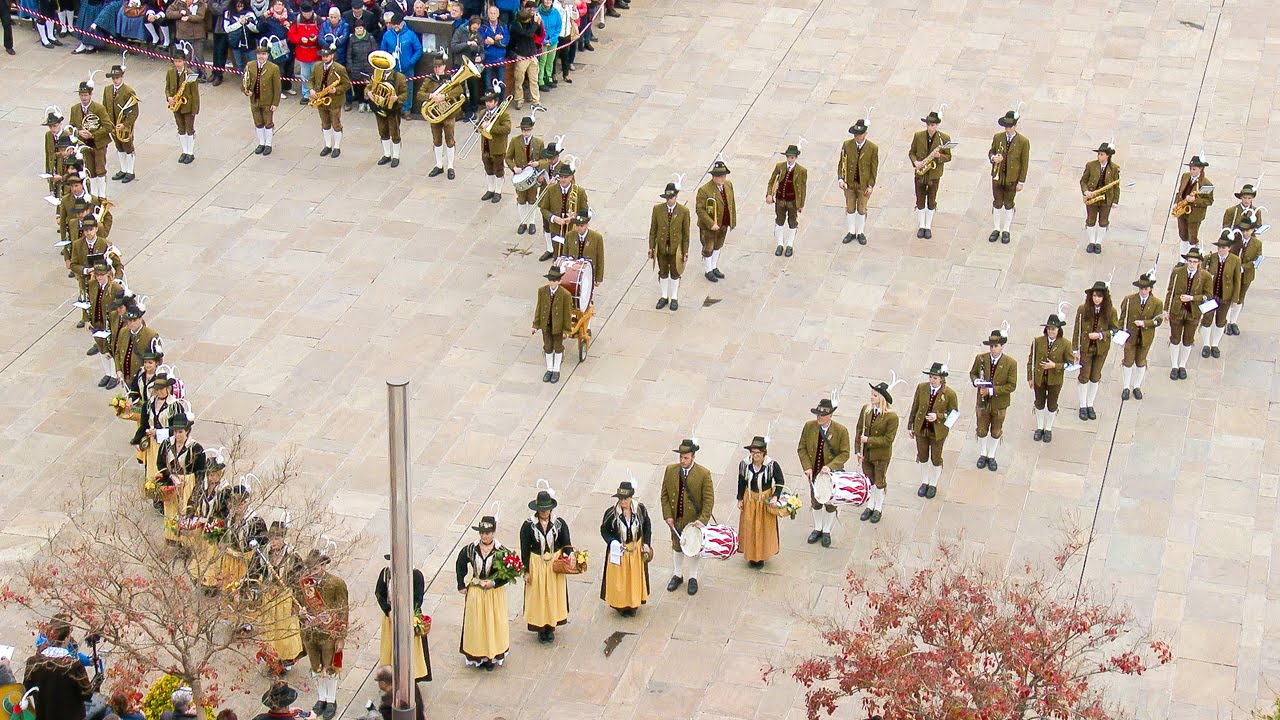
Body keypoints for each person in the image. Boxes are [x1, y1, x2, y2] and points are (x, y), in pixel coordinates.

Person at [295, 549, 348, 720]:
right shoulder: (303, 584)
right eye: (309, 569)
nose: (312, 572)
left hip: (329, 634)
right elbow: (296, 605)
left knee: (330, 667)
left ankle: (331, 699)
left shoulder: (336, 583)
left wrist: (341, 636)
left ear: (323, 565)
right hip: (310, 633)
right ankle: (321, 698)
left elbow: (343, 611)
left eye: (315, 568)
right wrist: (300, 613)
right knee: (315, 667)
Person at [455, 516, 512, 670]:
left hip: (493, 593)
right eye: (482, 533)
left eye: (487, 533)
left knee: (493, 622)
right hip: (476, 591)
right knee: (477, 623)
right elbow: (460, 563)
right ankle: (478, 654)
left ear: (493, 532)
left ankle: (491, 656)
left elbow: (510, 571)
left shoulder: (501, 551)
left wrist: (495, 582)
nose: (484, 536)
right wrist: (461, 584)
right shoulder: (471, 549)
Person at [248, 522, 305, 674]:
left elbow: (299, 581)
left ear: (283, 538)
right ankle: (271, 660)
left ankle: (285, 662)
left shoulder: (292, 557)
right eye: (271, 539)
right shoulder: (263, 554)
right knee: (268, 631)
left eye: (277, 539)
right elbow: (254, 572)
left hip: (285, 598)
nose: (273, 542)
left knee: (285, 631)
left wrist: (296, 603)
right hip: (268, 597)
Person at [660, 438, 713, 596]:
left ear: (693, 457)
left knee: (694, 548)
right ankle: (677, 574)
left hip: (693, 521)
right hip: (676, 518)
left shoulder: (703, 474)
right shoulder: (670, 470)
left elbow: (708, 500)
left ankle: (693, 577)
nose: (683, 460)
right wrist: (668, 516)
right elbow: (664, 495)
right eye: (681, 457)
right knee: (677, 546)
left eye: (686, 457)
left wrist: (702, 520)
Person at [519, 490, 571, 643]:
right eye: (542, 509)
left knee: (553, 594)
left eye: (547, 509)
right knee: (539, 595)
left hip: (554, 564)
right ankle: (541, 628)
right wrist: (526, 571)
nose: (545, 512)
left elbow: (567, 543)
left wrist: (570, 555)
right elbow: (524, 550)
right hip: (537, 563)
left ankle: (551, 625)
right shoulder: (528, 526)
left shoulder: (559, 523)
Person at [797, 397, 848, 547]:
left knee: (831, 503)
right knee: (816, 500)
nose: (819, 417)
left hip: (832, 475)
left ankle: (827, 530)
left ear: (830, 415)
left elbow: (845, 453)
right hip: (815, 472)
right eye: (818, 414)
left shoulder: (841, 430)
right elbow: (801, 448)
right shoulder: (809, 426)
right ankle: (818, 527)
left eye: (823, 415)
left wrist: (831, 466)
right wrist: (807, 467)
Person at [374, 557, 432, 682]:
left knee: (411, 646)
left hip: (409, 616)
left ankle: (413, 674)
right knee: (390, 645)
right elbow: (379, 593)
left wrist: (406, 612)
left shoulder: (416, 575)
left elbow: (418, 598)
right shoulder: (386, 573)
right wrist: (388, 610)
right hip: (390, 617)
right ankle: (390, 674)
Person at [23, 618, 93, 720]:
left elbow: (27, 689)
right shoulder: (74, 666)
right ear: (65, 639)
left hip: (44, 715)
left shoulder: (33, 662)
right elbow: (87, 694)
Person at [599, 480, 651, 616]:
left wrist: (646, 543)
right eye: (621, 499)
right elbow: (604, 531)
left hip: (635, 550)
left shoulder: (640, 510)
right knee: (620, 579)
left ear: (631, 498)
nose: (623, 502)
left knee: (634, 578)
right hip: (619, 551)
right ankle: (621, 606)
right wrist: (613, 542)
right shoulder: (611, 514)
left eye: (625, 499)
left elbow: (647, 525)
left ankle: (633, 604)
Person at [907, 362, 958, 498]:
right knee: (922, 456)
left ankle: (933, 484)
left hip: (937, 432)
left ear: (942, 379)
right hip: (921, 429)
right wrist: (911, 425)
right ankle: (924, 482)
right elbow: (915, 407)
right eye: (930, 377)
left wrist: (938, 416)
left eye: (935, 378)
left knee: (936, 458)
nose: (932, 380)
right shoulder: (922, 388)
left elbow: (953, 414)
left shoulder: (949, 394)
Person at [970, 329, 1017, 472]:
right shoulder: (981, 358)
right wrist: (976, 381)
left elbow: (1011, 385)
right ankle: (983, 453)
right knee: (981, 429)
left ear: (1002, 346)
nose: (993, 349)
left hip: (999, 404)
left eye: (996, 346)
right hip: (983, 401)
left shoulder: (1010, 363)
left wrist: (991, 390)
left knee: (996, 430)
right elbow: (973, 373)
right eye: (991, 346)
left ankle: (991, 455)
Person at [156, 412, 206, 543]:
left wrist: (196, 494)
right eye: (175, 432)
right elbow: (160, 463)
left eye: (180, 432)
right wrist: (171, 476)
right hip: (172, 483)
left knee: (185, 512)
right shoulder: (167, 444)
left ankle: (186, 543)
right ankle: (173, 538)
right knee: (172, 511)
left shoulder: (196, 448)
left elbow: (201, 473)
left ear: (187, 431)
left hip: (188, 484)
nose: (177, 435)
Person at [1071, 281, 1118, 421]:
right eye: (1094, 296)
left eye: (1099, 296)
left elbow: (1115, 329)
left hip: (1101, 349)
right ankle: (1082, 405)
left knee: (1095, 376)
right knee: (1084, 376)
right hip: (1085, 348)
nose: (1096, 299)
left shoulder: (1111, 311)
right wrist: (1075, 350)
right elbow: (1077, 330)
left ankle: (1090, 404)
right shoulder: (1082, 309)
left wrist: (1101, 335)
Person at [1163, 247, 1211, 380]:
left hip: (1193, 312)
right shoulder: (1177, 272)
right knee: (1175, 338)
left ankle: (1182, 365)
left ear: (1199, 263)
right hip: (1177, 311)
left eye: (1195, 262)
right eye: (1190, 261)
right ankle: (1174, 365)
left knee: (1188, 340)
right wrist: (1166, 310)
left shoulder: (1205, 276)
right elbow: (1170, 291)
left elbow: (1208, 295)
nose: (1192, 264)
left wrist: (1192, 298)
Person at [736, 436, 781, 568]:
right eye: (753, 453)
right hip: (750, 499)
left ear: (764, 453)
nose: (755, 456)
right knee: (750, 526)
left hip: (764, 501)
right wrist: (740, 498)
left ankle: (761, 556)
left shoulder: (772, 465)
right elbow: (741, 482)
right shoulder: (744, 464)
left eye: (758, 453)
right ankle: (751, 555)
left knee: (763, 528)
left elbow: (780, 482)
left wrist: (775, 496)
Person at [1118, 271, 1163, 400]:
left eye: (1146, 289)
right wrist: (1120, 335)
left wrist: (1144, 323)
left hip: (1145, 337)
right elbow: (1122, 318)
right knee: (1128, 362)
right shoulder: (1129, 299)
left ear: (1150, 289)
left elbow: (1158, 320)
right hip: (1130, 336)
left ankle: (1137, 386)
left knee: (1141, 362)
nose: (1143, 291)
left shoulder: (1157, 303)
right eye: (1141, 288)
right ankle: (1126, 387)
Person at [988, 109, 1030, 244]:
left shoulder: (1023, 141)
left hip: (1012, 178)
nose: (1007, 129)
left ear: (1015, 126)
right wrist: (994, 158)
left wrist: (1021, 182)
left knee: (1009, 203)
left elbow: (1024, 163)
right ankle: (996, 228)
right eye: (1006, 127)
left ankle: (1006, 229)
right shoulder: (998, 137)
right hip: (998, 176)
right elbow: (991, 152)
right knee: (997, 202)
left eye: (1010, 127)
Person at [1027, 315, 1071, 442]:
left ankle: (1048, 428)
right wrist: (1030, 377)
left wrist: (1055, 366)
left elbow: (1070, 363)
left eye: (1054, 329)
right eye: (1049, 329)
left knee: (1052, 405)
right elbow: (1031, 360)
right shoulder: (1037, 341)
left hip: (1055, 380)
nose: (1051, 331)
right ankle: (1040, 427)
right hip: (1039, 378)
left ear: (1058, 330)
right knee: (1039, 403)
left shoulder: (1065, 344)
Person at [1200, 229, 1242, 360]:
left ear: (1229, 248)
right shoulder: (1210, 258)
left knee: (1221, 321)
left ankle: (1215, 344)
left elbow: (1237, 280)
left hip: (1225, 297)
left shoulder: (1235, 260)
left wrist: (1235, 298)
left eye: (1223, 247)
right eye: (1219, 247)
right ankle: (1206, 344)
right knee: (1207, 319)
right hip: (1210, 296)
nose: (1220, 250)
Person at [909, 109, 951, 239]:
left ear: (937, 125)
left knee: (932, 200)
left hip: (934, 174)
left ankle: (928, 226)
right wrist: (916, 162)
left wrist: (939, 156)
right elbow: (912, 152)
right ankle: (921, 225)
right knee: (920, 199)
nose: (930, 128)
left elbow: (948, 156)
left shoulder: (944, 138)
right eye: (928, 125)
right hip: (921, 172)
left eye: (932, 125)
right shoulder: (918, 135)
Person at [648, 181, 690, 311]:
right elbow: (653, 229)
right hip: (661, 247)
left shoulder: (683, 211)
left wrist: (685, 251)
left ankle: (674, 297)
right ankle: (664, 296)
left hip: (676, 249)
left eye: (671, 198)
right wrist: (651, 247)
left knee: (675, 272)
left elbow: (686, 233)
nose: (669, 200)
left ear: (676, 197)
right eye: (667, 198)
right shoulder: (657, 209)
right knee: (663, 272)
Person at [417, 53, 460, 178]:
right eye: (435, 67)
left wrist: (445, 96)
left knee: (450, 140)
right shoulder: (429, 80)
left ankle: (450, 166)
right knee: (437, 140)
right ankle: (439, 165)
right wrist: (431, 96)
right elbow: (419, 94)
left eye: (439, 66)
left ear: (444, 66)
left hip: (448, 114)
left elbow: (459, 90)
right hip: (435, 115)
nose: (437, 69)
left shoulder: (450, 78)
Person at [837, 117, 878, 245]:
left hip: (863, 184)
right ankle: (851, 231)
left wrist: (870, 185)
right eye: (855, 134)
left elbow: (874, 169)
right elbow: (841, 163)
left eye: (859, 134)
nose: (856, 136)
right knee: (850, 207)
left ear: (865, 134)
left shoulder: (872, 148)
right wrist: (841, 179)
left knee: (862, 208)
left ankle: (860, 232)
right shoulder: (847, 145)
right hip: (849, 183)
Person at [538, 162, 588, 262]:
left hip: (573, 230)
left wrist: (574, 217)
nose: (563, 180)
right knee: (557, 255)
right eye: (561, 177)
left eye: (566, 177)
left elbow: (585, 212)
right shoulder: (551, 190)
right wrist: (554, 218)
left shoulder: (580, 191)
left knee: (572, 256)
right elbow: (544, 209)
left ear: (571, 177)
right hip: (556, 229)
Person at [531, 266, 573, 383]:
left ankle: (556, 370)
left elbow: (567, 314)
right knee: (548, 346)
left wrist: (566, 330)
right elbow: (539, 308)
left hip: (558, 327)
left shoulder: (565, 295)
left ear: (559, 281)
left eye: (554, 280)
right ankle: (549, 369)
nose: (552, 283)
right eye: (550, 280)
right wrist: (536, 324)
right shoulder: (542, 291)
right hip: (546, 325)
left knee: (558, 347)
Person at [695, 160, 736, 278]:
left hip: (723, 222)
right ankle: (708, 270)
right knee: (708, 247)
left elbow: (731, 203)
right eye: (720, 176)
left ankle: (714, 266)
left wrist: (732, 220)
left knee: (718, 245)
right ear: (714, 176)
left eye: (724, 175)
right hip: (709, 226)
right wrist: (711, 223)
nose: (723, 178)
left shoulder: (728, 185)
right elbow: (700, 210)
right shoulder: (704, 190)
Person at [71, 78, 111, 199]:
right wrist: (78, 132)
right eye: (81, 95)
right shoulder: (75, 109)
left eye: (86, 95)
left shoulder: (99, 108)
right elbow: (71, 127)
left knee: (100, 169)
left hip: (98, 143)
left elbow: (108, 127)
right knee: (90, 170)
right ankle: (93, 195)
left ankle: (102, 195)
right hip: (84, 144)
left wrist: (92, 135)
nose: (83, 98)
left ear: (91, 94)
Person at [311, 42, 352, 157]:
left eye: (327, 56)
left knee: (336, 124)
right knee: (325, 123)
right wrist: (311, 90)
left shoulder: (339, 68)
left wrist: (336, 90)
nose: (324, 58)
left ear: (332, 55)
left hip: (334, 101)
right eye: (323, 56)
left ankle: (337, 147)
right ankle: (328, 145)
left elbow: (347, 84)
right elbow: (311, 80)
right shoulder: (317, 66)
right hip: (321, 99)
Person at [86, 263, 123, 389]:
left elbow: (123, 305)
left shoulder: (115, 288)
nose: (99, 277)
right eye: (97, 275)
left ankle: (114, 374)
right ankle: (107, 373)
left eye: (102, 275)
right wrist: (86, 320)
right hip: (97, 321)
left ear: (107, 274)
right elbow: (87, 301)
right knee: (101, 346)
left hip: (111, 323)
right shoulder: (92, 284)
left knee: (111, 347)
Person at [765, 145, 806, 257]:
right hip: (780, 199)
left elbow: (803, 188)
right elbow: (772, 181)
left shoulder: (801, 170)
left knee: (792, 222)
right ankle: (780, 244)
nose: (789, 159)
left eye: (792, 157)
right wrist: (769, 194)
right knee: (779, 220)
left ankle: (790, 245)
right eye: (788, 157)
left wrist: (801, 204)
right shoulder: (780, 166)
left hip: (792, 201)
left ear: (796, 158)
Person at [1080, 141, 1120, 254]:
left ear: (1108, 156)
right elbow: (1083, 181)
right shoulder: (1091, 165)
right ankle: (1091, 242)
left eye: (1102, 154)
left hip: (1106, 199)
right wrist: (1086, 191)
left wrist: (1115, 200)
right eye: (1099, 154)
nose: (1099, 156)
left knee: (1103, 221)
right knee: (1090, 220)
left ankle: (1098, 243)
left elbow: (1116, 186)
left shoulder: (1114, 168)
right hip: (1093, 197)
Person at [506, 115, 544, 233]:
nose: (525, 132)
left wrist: (538, 163)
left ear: (531, 129)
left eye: (527, 130)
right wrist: (514, 168)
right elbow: (508, 158)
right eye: (523, 130)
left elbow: (544, 160)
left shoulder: (538, 142)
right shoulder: (515, 141)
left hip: (533, 176)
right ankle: (523, 222)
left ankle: (532, 222)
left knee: (532, 199)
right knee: (521, 199)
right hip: (520, 176)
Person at [370, 50, 409, 167]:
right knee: (382, 131)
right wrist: (368, 93)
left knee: (394, 132)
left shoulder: (399, 77)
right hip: (379, 107)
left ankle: (396, 156)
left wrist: (396, 98)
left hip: (392, 109)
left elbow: (405, 93)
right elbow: (369, 87)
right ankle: (386, 154)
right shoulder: (376, 75)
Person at [102, 64, 139, 184]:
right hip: (113, 125)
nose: (115, 80)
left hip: (124, 126)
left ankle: (130, 171)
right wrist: (107, 122)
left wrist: (125, 124)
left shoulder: (128, 91)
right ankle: (123, 169)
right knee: (119, 147)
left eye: (117, 78)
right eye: (113, 78)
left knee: (128, 147)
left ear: (122, 77)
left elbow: (134, 112)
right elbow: (104, 107)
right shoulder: (107, 89)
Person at [379, 12, 421, 117]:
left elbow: (418, 49)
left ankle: (407, 109)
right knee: (392, 88)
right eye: (394, 24)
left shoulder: (410, 34)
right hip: (392, 68)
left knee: (408, 89)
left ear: (402, 23)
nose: (396, 26)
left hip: (407, 68)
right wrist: (387, 64)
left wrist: (411, 62)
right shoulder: (387, 35)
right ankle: (394, 108)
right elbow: (383, 50)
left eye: (398, 24)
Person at [1226, 215, 1262, 336]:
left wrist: (1243, 267)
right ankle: (1226, 322)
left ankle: (1233, 321)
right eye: (1243, 230)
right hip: (1233, 274)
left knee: (1240, 297)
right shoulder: (1235, 240)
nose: (1245, 233)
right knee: (1230, 296)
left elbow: (1256, 259)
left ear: (1252, 230)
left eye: (1248, 230)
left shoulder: (1257, 243)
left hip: (1246, 275)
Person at [244, 42, 282, 155]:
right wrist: (246, 90)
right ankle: (261, 143)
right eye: (259, 54)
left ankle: (268, 144)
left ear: (268, 55)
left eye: (264, 54)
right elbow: (245, 81)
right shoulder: (250, 65)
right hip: (255, 100)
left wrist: (275, 103)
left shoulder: (273, 68)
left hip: (267, 101)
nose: (261, 56)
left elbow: (277, 87)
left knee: (268, 123)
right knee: (258, 122)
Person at [165, 46, 200, 164]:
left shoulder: (190, 74)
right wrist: (169, 97)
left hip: (188, 106)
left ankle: (190, 152)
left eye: (179, 61)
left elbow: (195, 94)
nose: (177, 64)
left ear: (184, 61)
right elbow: (167, 87)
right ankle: (184, 151)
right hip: (176, 105)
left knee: (189, 129)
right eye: (175, 61)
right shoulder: (170, 72)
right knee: (180, 129)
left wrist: (195, 109)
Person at [1172, 155, 1214, 255]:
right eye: (1190, 168)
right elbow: (1180, 192)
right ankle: (1182, 257)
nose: (1191, 171)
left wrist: (1195, 200)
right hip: (1182, 210)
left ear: (1201, 169)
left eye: (1194, 169)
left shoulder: (1206, 183)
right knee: (1183, 234)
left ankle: (1192, 256)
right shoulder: (1185, 176)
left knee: (1192, 237)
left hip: (1194, 214)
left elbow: (1209, 201)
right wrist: (1176, 203)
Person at [114, 303, 159, 392]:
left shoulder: (151, 335)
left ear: (140, 319)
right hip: (126, 378)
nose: (131, 324)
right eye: (129, 321)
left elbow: (158, 360)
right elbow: (117, 353)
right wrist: (118, 370)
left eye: (134, 320)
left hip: (142, 381)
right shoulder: (123, 332)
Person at [477, 83, 511, 202]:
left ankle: (498, 191)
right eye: (486, 101)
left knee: (498, 169)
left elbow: (507, 129)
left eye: (490, 101)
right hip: (486, 147)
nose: (488, 104)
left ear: (496, 102)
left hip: (497, 147)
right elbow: (477, 128)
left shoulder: (503, 114)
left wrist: (491, 128)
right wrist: (480, 126)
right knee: (488, 169)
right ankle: (490, 189)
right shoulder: (483, 112)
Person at [288, 3, 322, 103]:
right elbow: (291, 35)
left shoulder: (318, 20)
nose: (307, 15)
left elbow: (323, 34)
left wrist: (316, 39)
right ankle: (306, 94)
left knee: (316, 75)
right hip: (303, 53)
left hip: (315, 53)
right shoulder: (297, 20)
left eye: (309, 13)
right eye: (305, 13)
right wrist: (300, 39)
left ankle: (317, 93)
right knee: (305, 75)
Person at [560, 210, 603, 287]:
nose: (579, 228)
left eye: (582, 226)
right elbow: (565, 255)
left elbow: (600, 258)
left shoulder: (597, 238)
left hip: (588, 272)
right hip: (573, 271)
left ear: (587, 225)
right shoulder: (569, 236)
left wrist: (598, 278)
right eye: (577, 225)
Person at [167, 0, 208, 75]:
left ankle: (202, 75)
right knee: (187, 57)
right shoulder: (178, 2)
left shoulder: (200, 3)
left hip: (197, 35)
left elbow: (200, 16)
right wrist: (179, 13)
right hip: (183, 35)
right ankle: (189, 74)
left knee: (199, 57)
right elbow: (169, 13)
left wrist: (189, 17)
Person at [478, 4, 507, 94]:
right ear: (488, 14)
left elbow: (505, 42)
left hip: (500, 58)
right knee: (487, 83)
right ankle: (488, 100)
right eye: (491, 13)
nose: (493, 15)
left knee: (501, 83)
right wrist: (496, 39)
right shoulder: (483, 27)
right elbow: (482, 41)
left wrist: (493, 41)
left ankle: (501, 101)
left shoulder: (503, 26)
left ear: (498, 15)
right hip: (488, 58)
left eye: (494, 13)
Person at [535, 0, 559, 92]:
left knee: (550, 60)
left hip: (553, 41)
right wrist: (544, 40)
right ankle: (540, 80)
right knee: (542, 61)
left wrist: (552, 40)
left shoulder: (555, 12)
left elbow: (558, 27)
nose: (548, 1)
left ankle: (548, 77)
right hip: (542, 42)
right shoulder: (537, 12)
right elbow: (537, 29)